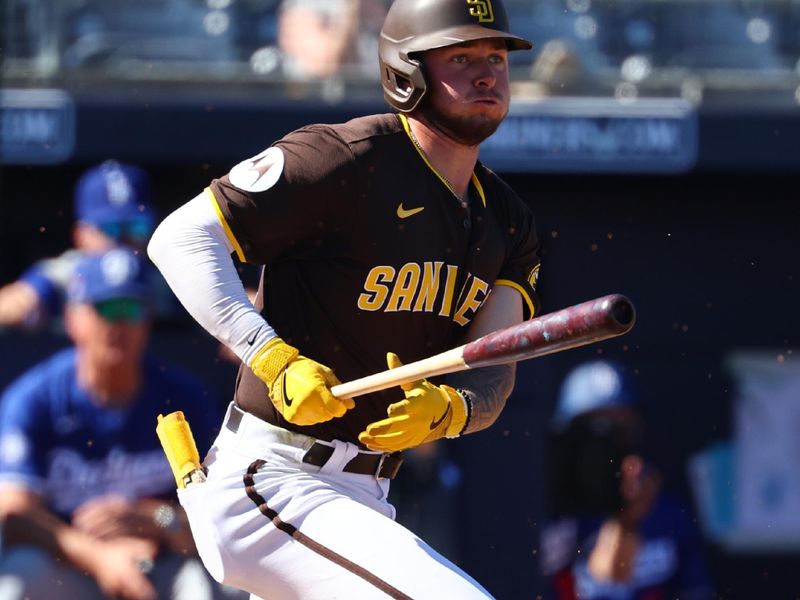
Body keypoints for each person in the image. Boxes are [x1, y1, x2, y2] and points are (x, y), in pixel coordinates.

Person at [147, 0, 540, 597]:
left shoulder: (507, 220)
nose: (487, 72)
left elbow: (492, 370)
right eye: (460, 57)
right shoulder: (345, 160)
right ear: (405, 72)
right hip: (271, 481)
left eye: (495, 56)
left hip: (366, 495)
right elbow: (179, 238)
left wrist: (452, 409)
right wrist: (270, 356)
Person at [0, 248, 239, 600]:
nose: (120, 324)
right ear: (73, 319)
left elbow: (224, 519)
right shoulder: (36, 398)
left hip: (161, 564)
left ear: (147, 320)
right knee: (20, 576)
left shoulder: (183, 398)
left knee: (228, 579)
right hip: (68, 563)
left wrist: (156, 518)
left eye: (132, 309)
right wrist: (98, 558)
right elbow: (14, 515)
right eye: (106, 309)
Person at [540, 360, 714, 600]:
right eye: (596, 429)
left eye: (621, 428)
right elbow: (602, 584)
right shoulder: (546, 514)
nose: (608, 443)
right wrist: (622, 524)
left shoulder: (668, 511)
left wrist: (628, 518)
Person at [0, 160, 168, 331]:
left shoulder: (166, 278)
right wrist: (24, 306)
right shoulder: (63, 276)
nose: (124, 239)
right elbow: (14, 302)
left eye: (136, 227)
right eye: (111, 229)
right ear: (81, 235)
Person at [277, 0, 390, 80]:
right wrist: (351, 9)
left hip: (376, 94)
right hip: (322, 100)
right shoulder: (304, 6)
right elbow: (327, 64)